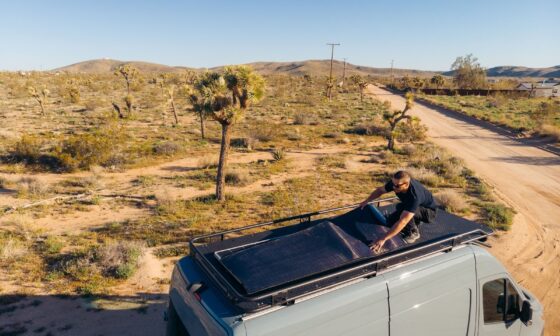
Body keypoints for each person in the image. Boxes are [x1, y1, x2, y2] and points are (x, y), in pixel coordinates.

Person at [359, 170, 437, 253]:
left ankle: (413, 232)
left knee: (405, 213)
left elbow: (403, 221)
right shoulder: (396, 183)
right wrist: (367, 200)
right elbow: (380, 190)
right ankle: (415, 220)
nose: (393, 187)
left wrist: (383, 238)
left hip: (429, 213)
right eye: (393, 184)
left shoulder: (414, 197)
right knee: (392, 219)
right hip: (413, 206)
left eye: (397, 186)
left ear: (406, 184)